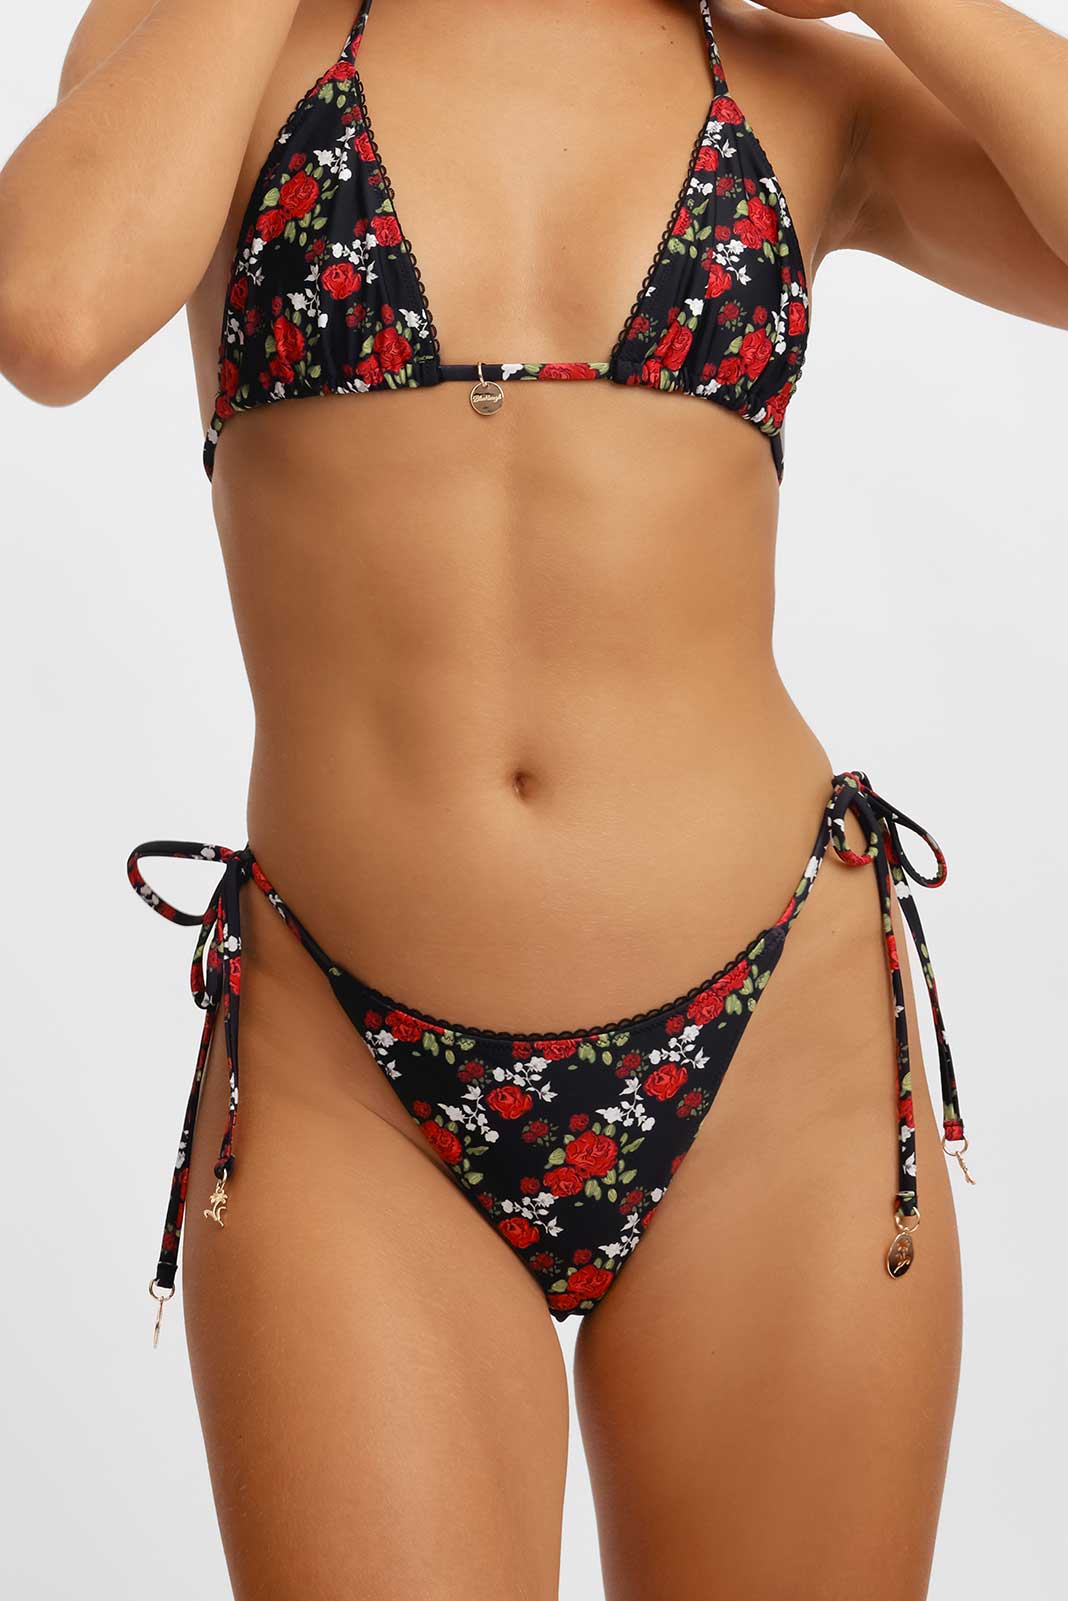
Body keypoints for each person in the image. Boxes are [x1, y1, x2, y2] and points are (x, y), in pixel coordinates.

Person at [0, 1, 1062, 1596]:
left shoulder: (785, 79)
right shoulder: (218, 43)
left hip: (775, 1060)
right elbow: (51, 311)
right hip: (349, 1076)